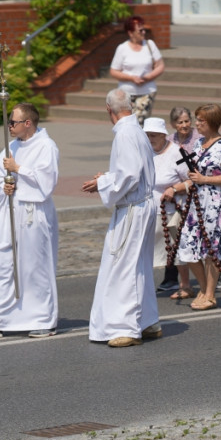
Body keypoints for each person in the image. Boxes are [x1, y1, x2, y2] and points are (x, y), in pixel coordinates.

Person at [0, 103, 60, 339]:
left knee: (34, 267)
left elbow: (47, 181)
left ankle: (43, 319)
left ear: (27, 123)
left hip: (33, 212)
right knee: (1, 262)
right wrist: (5, 185)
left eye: (13, 122)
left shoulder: (46, 146)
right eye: (9, 122)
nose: (9, 126)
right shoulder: (12, 147)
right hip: (12, 210)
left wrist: (19, 169)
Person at [81, 89, 163, 348]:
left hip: (133, 209)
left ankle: (125, 327)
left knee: (123, 267)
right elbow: (130, 170)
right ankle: (148, 320)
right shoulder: (135, 129)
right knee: (138, 265)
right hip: (141, 205)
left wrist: (102, 182)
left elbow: (128, 176)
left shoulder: (126, 134)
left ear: (108, 109)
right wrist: (106, 176)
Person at [178, 103, 221, 311]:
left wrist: (204, 178)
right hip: (196, 201)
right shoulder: (198, 143)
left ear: (211, 122)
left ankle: (210, 295)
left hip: (214, 202)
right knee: (187, 244)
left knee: (211, 249)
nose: (196, 124)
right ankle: (204, 288)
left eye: (200, 120)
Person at [144, 117, 193, 299]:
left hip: (172, 210)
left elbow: (192, 179)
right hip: (148, 208)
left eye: (154, 135)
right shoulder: (144, 151)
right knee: (147, 250)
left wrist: (174, 188)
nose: (150, 139)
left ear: (164, 135)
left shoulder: (177, 153)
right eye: (147, 135)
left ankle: (185, 285)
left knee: (178, 249)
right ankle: (145, 285)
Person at [155, 106, 202, 292]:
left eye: (186, 121)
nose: (184, 125)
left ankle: (214, 273)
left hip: (194, 193)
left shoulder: (198, 139)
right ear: (173, 124)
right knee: (175, 241)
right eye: (180, 122)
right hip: (175, 199)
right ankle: (173, 279)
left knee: (197, 240)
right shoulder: (169, 140)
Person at [109, 15, 165, 125]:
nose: (144, 32)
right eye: (140, 30)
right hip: (126, 94)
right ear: (130, 33)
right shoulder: (122, 48)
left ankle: (138, 142)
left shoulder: (149, 45)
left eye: (144, 29)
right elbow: (114, 71)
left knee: (139, 122)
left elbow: (160, 65)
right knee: (126, 123)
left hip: (146, 92)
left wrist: (148, 77)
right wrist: (131, 78)